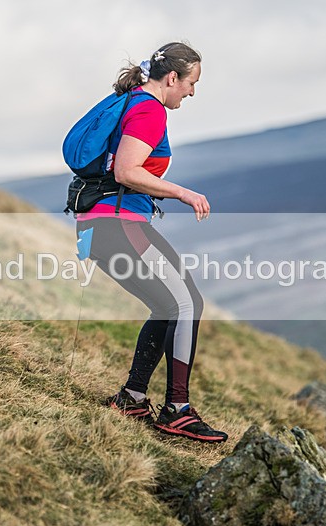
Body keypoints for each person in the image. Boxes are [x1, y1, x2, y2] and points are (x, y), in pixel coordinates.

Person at [75, 42, 227, 443]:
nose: (192, 92)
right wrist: (182, 193)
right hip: (117, 225)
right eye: (192, 83)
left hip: (100, 227)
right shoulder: (148, 109)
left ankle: (133, 398)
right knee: (187, 302)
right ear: (172, 78)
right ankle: (177, 410)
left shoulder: (131, 102)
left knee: (167, 304)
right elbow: (126, 171)